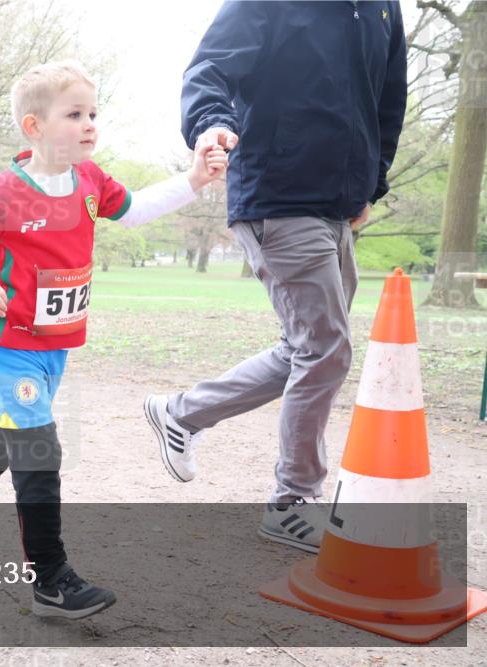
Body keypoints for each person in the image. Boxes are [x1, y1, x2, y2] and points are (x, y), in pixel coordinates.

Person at [0, 61, 227, 620]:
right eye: (75, 114)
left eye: (93, 114)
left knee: (15, 433)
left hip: (54, 349)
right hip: (7, 346)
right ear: (35, 127)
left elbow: (135, 211)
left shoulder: (90, 181)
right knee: (40, 446)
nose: (89, 124)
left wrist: (194, 181)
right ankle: (50, 580)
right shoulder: (6, 190)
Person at [144, 1, 407, 554]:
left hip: (338, 204)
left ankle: (181, 412)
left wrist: (371, 182)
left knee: (307, 348)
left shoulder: (383, 6)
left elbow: (388, 99)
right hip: (279, 194)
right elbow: (210, 69)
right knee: (326, 348)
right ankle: (292, 503)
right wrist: (212, 123)